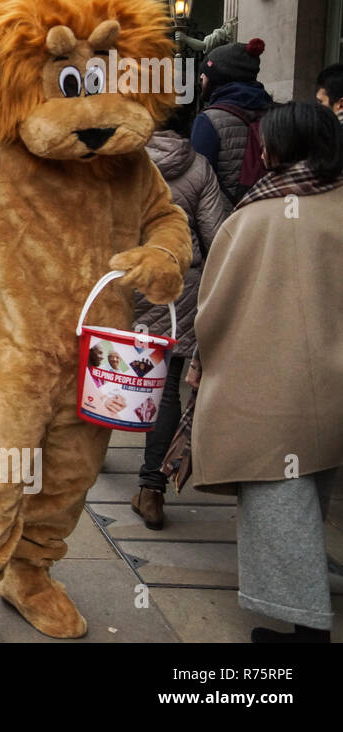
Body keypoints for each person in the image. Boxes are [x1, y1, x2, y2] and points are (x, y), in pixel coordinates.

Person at [189, 101, 343, 643]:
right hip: (332, 392)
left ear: (277, 149)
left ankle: (308, 631)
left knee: (282, 513)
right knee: (313, 497)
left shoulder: (256, 218)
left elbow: (214, 314)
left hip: (271, 396)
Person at [129, 113, 230, 530]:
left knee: (107, 369)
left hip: (127, 278)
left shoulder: (124, 159)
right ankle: (151, 489)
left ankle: (90, 454)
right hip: (179, 285)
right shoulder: (199, 165)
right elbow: (217, 230)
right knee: (167, 385)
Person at [190, 38, 273, 204]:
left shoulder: (208, 120)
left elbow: (196, 183)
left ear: (219, 78)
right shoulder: (278, 113)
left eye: (206, 72)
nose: (201, 76)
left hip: (224, 219)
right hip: (266, 212)